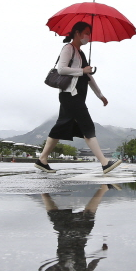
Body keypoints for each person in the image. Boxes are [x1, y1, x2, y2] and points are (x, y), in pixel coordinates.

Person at [35, 21, 122, 175]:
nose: (89, 36)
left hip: (76, 96)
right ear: (77, 33)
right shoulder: (68, 48)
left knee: (60, 127)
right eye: (87, 33)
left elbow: (89, 77)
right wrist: (81, 70)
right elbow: (61, 69)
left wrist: (100, 95)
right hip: (70, 95)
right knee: (87, 126)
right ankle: (104, 163)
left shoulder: (80, 53)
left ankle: (42, 159)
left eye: (89, 33)